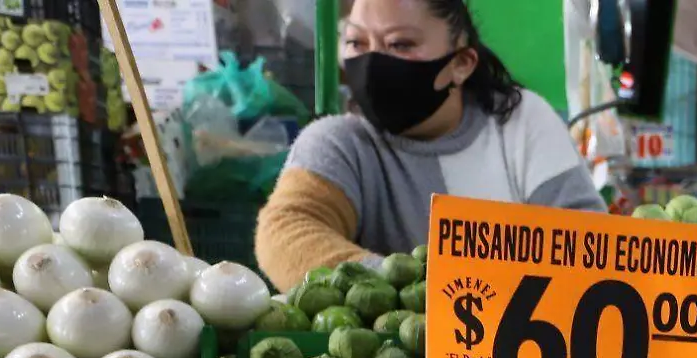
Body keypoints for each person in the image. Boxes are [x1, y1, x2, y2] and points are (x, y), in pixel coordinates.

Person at [255, 0, 605, 290]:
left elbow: (589, 246)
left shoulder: (520, 121)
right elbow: (288, 230)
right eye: (356, 43)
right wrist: (413, 292)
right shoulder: (339, 144)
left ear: (461, 64)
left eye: (401, 44)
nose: (374, 61)